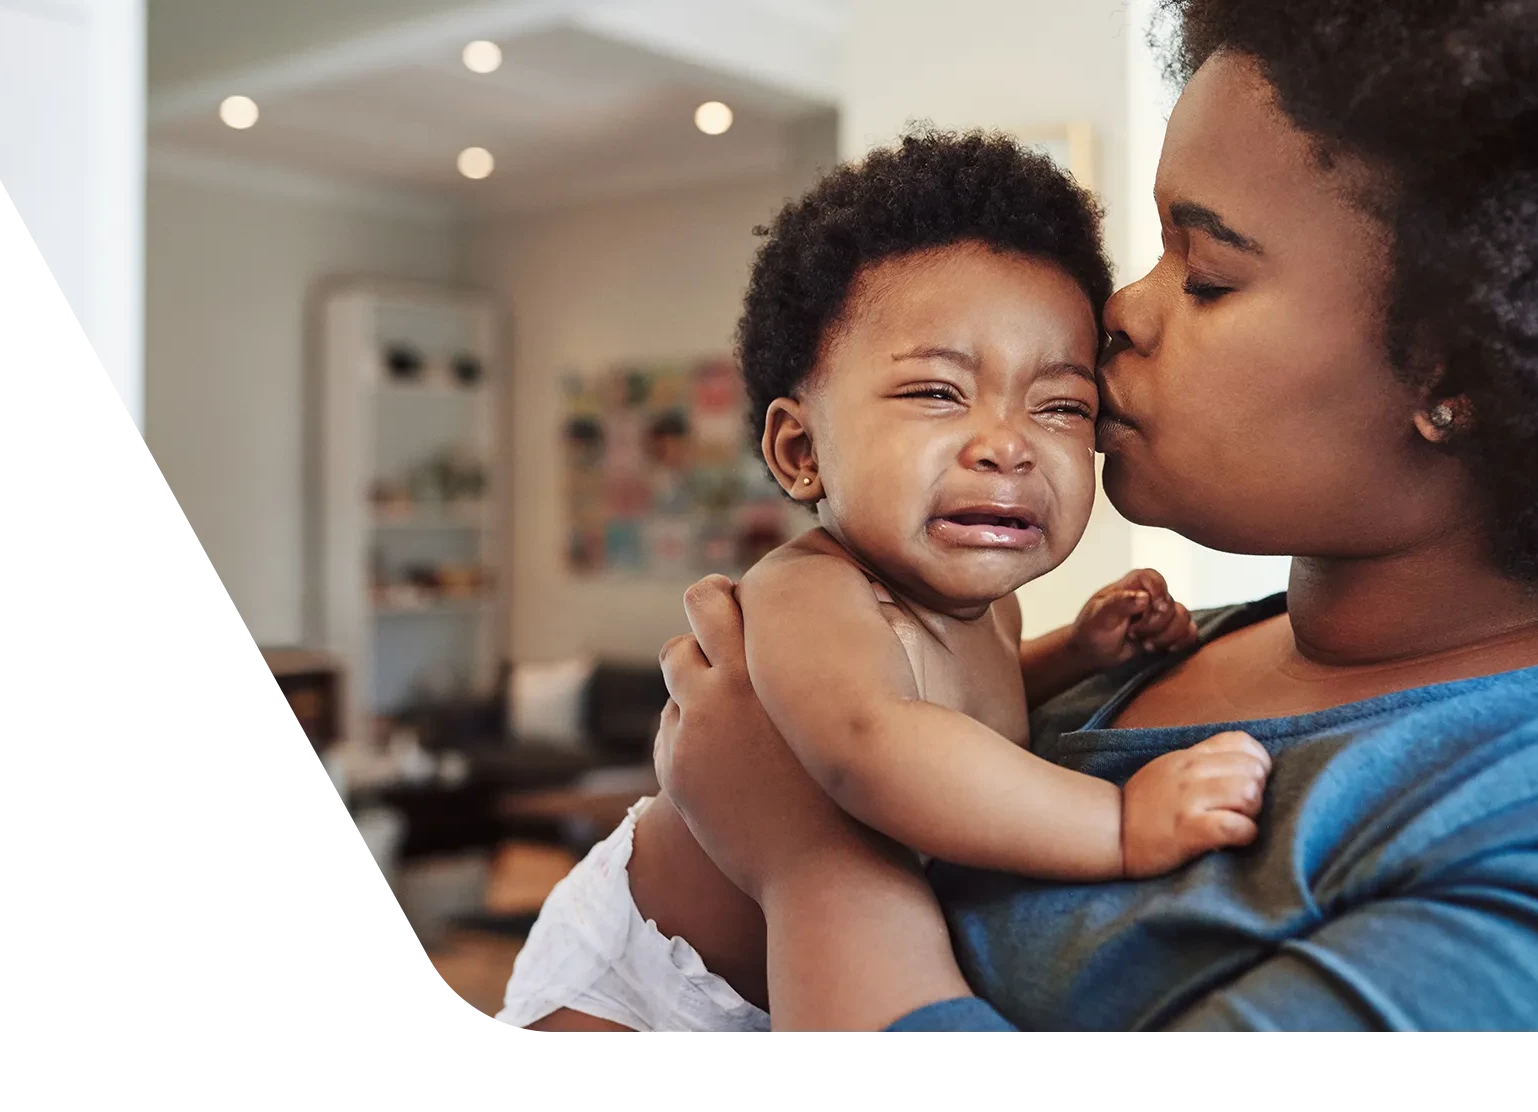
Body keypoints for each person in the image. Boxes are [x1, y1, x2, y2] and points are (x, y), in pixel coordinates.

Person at [652, 0, 1538, 1030]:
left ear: (1468, 373)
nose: (1118, 309)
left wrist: (808, 865)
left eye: (1207, 272)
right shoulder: (1168, 643)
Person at [499, 132, 1253, 1032]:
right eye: (938, 392)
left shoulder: (991, 610)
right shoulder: (808, 592)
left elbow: (965, 703)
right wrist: (1120, 824)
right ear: (801, 450)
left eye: (1061, 406)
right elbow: (872, 745)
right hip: (641, 974)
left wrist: (1079, 654)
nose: (1007, 444)